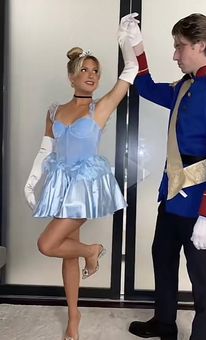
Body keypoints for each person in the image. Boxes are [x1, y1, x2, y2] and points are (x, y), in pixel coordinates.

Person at [118, 13, 206, 340]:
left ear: (200, 45)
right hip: (171, 194)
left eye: (179, 47)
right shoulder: (185, 86)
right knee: (163, 256)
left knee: (200, 275)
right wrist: (136, 44)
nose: (175, 54)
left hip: (198, 203)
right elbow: (144, 87)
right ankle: (165, 322)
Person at [24, 36, 138, 340]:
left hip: (86, 187)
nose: (92, 75)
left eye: (96, 71)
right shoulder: (54, 110)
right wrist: (33, 179)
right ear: (72, 76)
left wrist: (128, 41)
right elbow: (46, 148)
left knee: (47, 244)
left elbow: (130, 71)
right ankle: (74, 315)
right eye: (86, 70)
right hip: (61, 184)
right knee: (65, 253)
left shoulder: (101, 107)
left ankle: (93, 250)